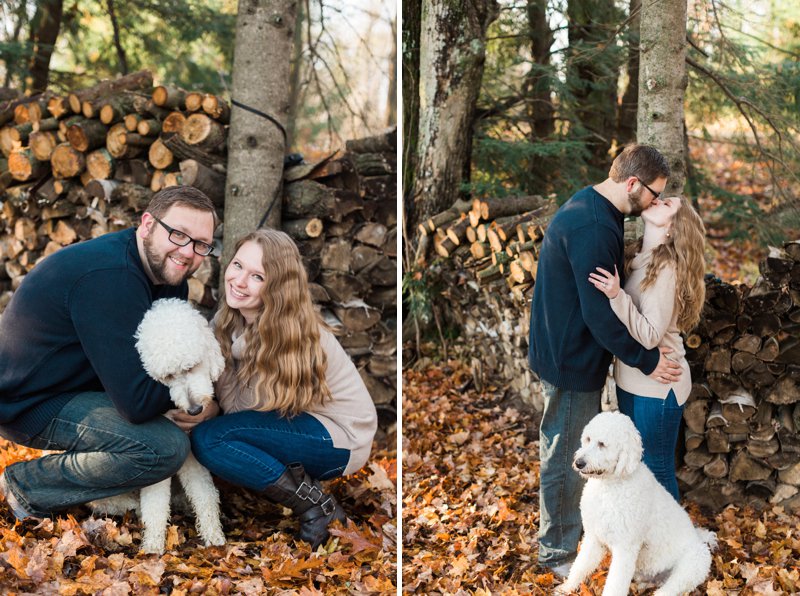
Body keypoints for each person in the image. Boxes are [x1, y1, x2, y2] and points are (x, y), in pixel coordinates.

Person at [0, 186, 220, 520]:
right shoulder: (109, 278)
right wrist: (193, 397)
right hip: (26, 401)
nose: (188, 252)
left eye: (201, 244)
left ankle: (120, 486)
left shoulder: (168, 273)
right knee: (163, 448)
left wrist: (201, 400)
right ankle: (26, 485)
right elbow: (137, 402)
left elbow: (159, 367)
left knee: (172, 429)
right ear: (147, 225)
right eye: (178, 234)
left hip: (79, 384)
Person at [527, 144, 684, 577]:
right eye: (654, 193)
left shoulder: (594, 206)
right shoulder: (595, 225)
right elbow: (598, 313)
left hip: (563, 349)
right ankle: (556, 553)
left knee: (561, 446)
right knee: (565, 455)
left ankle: (563, 541)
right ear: (632, 183)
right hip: (570, 357)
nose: (655, 202)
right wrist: (646, 360)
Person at [190, 228, 378, 549]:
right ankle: (309, 496)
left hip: (341, 436)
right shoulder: (230, 319)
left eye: (257, 276)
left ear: (277, 287)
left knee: (212, 439)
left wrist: (210, 408)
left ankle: (316, 504)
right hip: (302, 425)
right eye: (237, 266)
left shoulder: (290, 334)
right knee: (213, 436)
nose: (239, 280)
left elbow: (246, 413)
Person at [589, 195, 706, 500]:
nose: (659, 200)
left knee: (657, 469)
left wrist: (617, 295)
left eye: (668, 205)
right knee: (638, 468)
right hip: (633, 380)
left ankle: (673, 543)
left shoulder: (666, 268)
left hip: (659, 386)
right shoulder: (639, 257)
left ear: (672, 228)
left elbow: (651, 335)